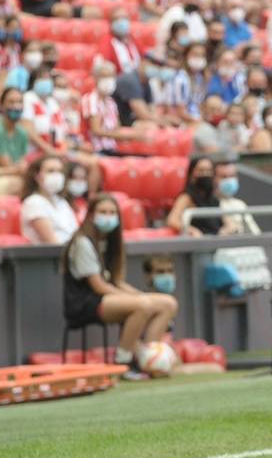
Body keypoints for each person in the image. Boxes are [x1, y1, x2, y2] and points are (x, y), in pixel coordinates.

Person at [64, 194, 180, 381]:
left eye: (112, 212)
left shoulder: (112, 242)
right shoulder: (82, 242)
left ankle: (149, 357)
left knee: (168, 303)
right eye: (103, 212)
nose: (108, 216)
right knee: (142, 305)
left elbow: (117, 281)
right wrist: (140, 300)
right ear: (91, 215)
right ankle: (123, 363)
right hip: (85, 303)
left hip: (108, 297)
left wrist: (141, 295)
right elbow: (99, 286)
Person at [20, 155, 80, 245]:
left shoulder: (61, 201)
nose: (56, 175)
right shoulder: (33, 202)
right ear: (37, 176)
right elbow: (52, 242)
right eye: (50, 171)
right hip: (50, 256)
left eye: (59, 171)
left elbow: (76, 233)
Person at [166, 156, 222, 237]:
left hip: (217, 241)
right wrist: (191, 230)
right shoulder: (186, 197)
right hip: (199, 243)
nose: (205, 174)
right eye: (201, 170)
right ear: (192, 173)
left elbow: (226, 220)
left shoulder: (214, 198)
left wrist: (228, 227)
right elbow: (172, 220)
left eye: (209, 171)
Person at [0, 86, 33, 168]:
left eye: (20, 102)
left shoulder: (22, 132)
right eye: (11, 102)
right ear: (1, 105)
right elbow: (6, 166)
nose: (16, 106)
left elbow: (23, 161)